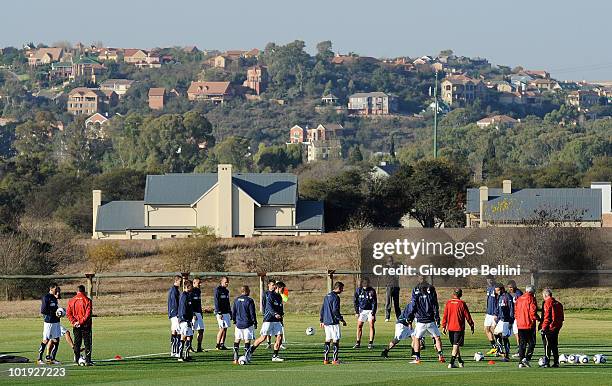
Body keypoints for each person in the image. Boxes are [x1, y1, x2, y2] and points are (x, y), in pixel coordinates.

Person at [246, 281, 286, 362]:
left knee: (279, 337)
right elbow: (269, 307)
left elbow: (281, 309)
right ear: (277, 288)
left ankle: (275, 356)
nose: (283, 290)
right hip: (268, 320)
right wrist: (275, 314)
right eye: (282, 288)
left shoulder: (280, 297)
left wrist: (281, 319)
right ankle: (250, 351)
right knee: (263, 338)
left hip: (277, 321)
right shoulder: (270, 295)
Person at [407, 281, 445, 364]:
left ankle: (417, 358)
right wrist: (437, 318)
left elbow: (413, 306)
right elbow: (435, 306)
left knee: (417, 339)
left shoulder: (417, 294)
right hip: (430, 320)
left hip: (420, 321)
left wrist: (410, 316)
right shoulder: (431, 293)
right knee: (437, 337)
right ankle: (440, 355)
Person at [441, 288, 474, 369]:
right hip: (459, 328)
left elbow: (445, 315)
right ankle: (451, 363)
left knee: (455, 345)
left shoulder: (448, 303)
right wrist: (471, 325)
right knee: (456, 345)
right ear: (461, 295)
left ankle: (460, 361)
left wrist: (444, 326)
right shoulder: (462, 303)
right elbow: (467, 316)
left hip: (450, 327)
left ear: (453, 294)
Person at [320, 281, 347, 365]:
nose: (342, 290)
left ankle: (326, 359)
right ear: (338, 288)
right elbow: (335, 310)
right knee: (336, 339)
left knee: (328, 339)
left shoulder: (326, 296)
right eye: (342, 288)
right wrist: (341, 319)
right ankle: (335, 359)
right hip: (333, 321)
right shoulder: (336, 297)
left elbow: (323, 309)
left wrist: (321, 320)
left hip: (326, 322)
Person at [66, 285, 93, 366]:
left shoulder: (71, 300)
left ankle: (77, 359)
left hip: (76, 325)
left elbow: (68, 313)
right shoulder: (87, 300)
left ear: (77, 291)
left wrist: (74, 322)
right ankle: (88, 360)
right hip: (85, 325)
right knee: (87, 343)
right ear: (84, 291)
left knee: (77, 343)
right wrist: (81, 322)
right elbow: (88, 314)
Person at [231, 285, 257, 364]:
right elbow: (252, 313)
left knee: (237, 339)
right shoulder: (249, 300)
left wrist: (235, 320)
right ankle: (246, 358)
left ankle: (235, 359)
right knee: (247, 340)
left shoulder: (236, 300)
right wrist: (254, 322)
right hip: (247, 324)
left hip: (238, 324)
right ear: (247, 291)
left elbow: (233, 312)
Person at [37, 283, 61, 365]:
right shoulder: (46, 297)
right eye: (56, 289)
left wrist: (59, 312)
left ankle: (52, 358)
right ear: (51, 288)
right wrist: (54, 313)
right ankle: (39, 359)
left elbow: (55, 308)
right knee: (46, 340)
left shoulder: (55, 298)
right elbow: (43, 310)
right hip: (49, 322)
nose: (57, 290)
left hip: (56, 321)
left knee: (56, 339)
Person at [412, 275, 438, 350]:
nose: (421, 279)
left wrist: (436, 315)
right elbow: (413, 302)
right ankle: (422, 343)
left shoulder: (431, 288)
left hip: (430, 314)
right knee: (419, 332)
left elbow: (435, 302)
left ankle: (435, 344)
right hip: (419, 315)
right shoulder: (415, 288)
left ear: (425, 278)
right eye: (420, 278)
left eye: (423, 278)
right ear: (418, 278)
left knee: (432, 331)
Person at [540, 288, 564, 368]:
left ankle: (547, 362)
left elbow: (547, 317)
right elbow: (562, 317)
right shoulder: (558, 304)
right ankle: (556, 362)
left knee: (547, 345)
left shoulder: (547, 303)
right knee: (554, 345)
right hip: (556, 327)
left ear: (545, 295)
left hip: (549, 328)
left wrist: (543, 328)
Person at [515, 285, 537, 368]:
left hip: (520, 324)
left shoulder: (519, 298)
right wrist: (537, 318)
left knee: (522, 344)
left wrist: (518, 320)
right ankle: (527, 358)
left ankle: (520, 362)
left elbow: (515, 312)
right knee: (532, 343)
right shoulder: (531, 298)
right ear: (532, 292)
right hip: (529, 324)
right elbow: (533, 312)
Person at [353, 278, 377, 349]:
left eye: (366, 283)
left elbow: (374, 302)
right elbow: (355, 301)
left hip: (370, 310)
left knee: (371, 325)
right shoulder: (358, 290)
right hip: (362, 310)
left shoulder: (372, 291)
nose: (365, 284)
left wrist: (373, 313)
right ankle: (358, 342)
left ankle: (370, 343)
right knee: (359, 325)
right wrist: (357, 312)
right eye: (364, 283)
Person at [493, 284, 514, 361]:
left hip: (507, 320)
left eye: (497, 290)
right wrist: (496, 314)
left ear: (502, 289)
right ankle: (501, 352)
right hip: (501, 319)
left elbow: (511, 309)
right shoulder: (500, 297)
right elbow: (498, 307)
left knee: (505, 337)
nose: (496, 292)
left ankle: (506, 355)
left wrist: (511, 321)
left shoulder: (508, 297)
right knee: (496, 333)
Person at [177, 280, 194, 362]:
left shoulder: (188, 295)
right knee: (183, 336)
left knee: (189, 336)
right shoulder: (184, 296)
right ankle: (180, 356)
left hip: (189, 320)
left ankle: (187, 355)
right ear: (187, 287)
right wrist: (184, 319)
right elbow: (183, 308)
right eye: (191, 286)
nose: (192, 287)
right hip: (184, 320)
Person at [214, 276, 231, 350]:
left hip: (226, 312)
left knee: (225, 328)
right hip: (221, 313)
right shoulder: (218, 290)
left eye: (227, 282)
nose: (227, 283)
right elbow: (216, 301)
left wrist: (230, 312)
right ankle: (217, 344)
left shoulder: (226, 291)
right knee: (222, 328)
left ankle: (222, 344)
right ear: (221, 282)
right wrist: (219, 312)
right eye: (225, 282)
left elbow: (228, 302)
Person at [507, 280, 523, 357]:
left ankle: (520, 350)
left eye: (511, 287)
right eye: (509, 287)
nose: (510, 289)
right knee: (515, 333)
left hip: (517, 316)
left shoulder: (518, 293)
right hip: (512, 316)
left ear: (515, 286)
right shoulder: (509, 294)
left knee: (517, 334)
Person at [167, 275, 182, 358]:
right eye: (180, 281)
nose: (181, 283)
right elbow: (175, 303)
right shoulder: (174, 290)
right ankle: (176, 351)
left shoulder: (174, 290)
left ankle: (173, 351)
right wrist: (177, 314)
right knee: (178, 331)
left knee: (174, 331)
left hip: (173, 314)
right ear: (176, 281)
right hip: (175, 314)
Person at [484, 276, 498, 355]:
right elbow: (488, 300)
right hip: (489, 313)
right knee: (486, 329)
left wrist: (497, 313)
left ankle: (499, 348)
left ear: (493, 279)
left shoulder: (496, 287)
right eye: (487, 279)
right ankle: (494, 347)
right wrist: (487, 312)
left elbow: (499, 300)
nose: (489, 280)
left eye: (490, 279)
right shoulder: (488, 288)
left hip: (494, 314)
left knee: (495, 331)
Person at [384, 258, 401, 322]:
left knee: (396, 303)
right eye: (389, 261)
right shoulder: (386, 268)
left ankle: (399, 317)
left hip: (396, 287)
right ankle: (387, 317)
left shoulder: (396, 268)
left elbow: (402, 268)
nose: (390, 262)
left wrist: (398, 263)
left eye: (391, 261)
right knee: (388, 302)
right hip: (389, 287)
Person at [191, 277, 205, 352]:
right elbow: (189, 304)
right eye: (198, 283)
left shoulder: (198, 291)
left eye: (200, 283)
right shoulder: (191, 291)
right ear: (194, 283)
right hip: (193, 314)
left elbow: (199, 303)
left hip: (199, 313)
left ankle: (199, 347)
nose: (200, 284)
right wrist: (193, 314)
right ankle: (189, 346)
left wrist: (201, 312)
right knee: (191, 331)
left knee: (201, 330)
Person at [263, 279, 276, 349]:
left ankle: (279, 343)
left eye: (274, 285)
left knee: (277, 329)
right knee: (268, 330)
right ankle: (268, 343)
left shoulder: (275, 294)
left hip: (275, 314)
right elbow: (264, 303)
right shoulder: (265, 293)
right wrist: (264, 312)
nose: (274, 286)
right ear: (268, 285)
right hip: (268, 314)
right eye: (272, 285)